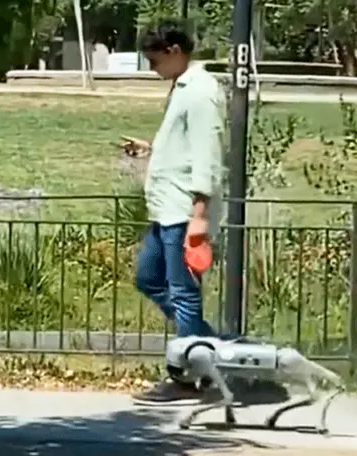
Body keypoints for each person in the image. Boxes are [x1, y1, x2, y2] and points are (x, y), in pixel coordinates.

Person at [122, 19, 225, 406]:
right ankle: (209, 348)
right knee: (149, 278)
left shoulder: (200, 93)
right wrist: (151, 149)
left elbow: (207, 156)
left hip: (183, 211)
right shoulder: (183, 88)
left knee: (183, 293)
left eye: (154, 60)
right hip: (166, 209)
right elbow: (183, 148)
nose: (151, 68)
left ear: (175, 52)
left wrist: (199, 214)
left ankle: (186, 378)